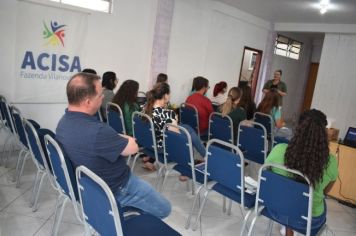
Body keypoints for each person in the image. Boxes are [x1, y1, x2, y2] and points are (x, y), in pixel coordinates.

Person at [56, 72, 171, 219]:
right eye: (100, 95)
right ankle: (129, 216)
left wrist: (114, 137)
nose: (103, 96)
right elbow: (133, 148)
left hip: (91, 188)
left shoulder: (63, 123)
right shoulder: (97, 131)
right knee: (165, 209)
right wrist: (121, 137)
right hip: (120, 188)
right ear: (87, 102)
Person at [265, 109, 338, 236]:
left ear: (298, 129)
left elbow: (266, 176)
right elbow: (325, 191)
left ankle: (289, 229)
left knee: (289, 200)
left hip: (276, 210)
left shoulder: (278, 150)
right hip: (309, 220)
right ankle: (292, 227)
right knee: (319, 200)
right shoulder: (330, 161)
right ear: (324, 133)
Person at [144, 82, 206, 170]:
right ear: (165, 95)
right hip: (162, 148)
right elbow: (177, 139)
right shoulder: (168, 114)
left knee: (186, 128)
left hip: (149, 142)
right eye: (169, 94)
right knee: (188, 135)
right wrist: (174, 121)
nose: (170, 96)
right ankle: (192, 165)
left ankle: (204, 156)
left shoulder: (145, 108)